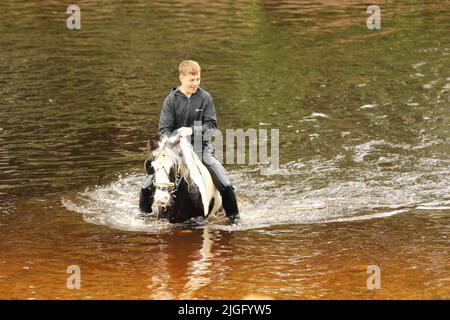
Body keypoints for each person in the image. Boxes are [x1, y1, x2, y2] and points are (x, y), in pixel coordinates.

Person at [155, 60, 240, 224]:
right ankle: (143, 214)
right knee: (146, 185)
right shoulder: (170, 101)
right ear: (181, 78)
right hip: (175, 150)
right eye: (191, 80)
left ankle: (235, 218)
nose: (195, 84)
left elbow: (212, 126)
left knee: (225, 183)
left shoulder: (205, 98)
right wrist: (176, 138)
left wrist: (192, 130)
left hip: (201, 148)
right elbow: (164, 131)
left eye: (198, 79)